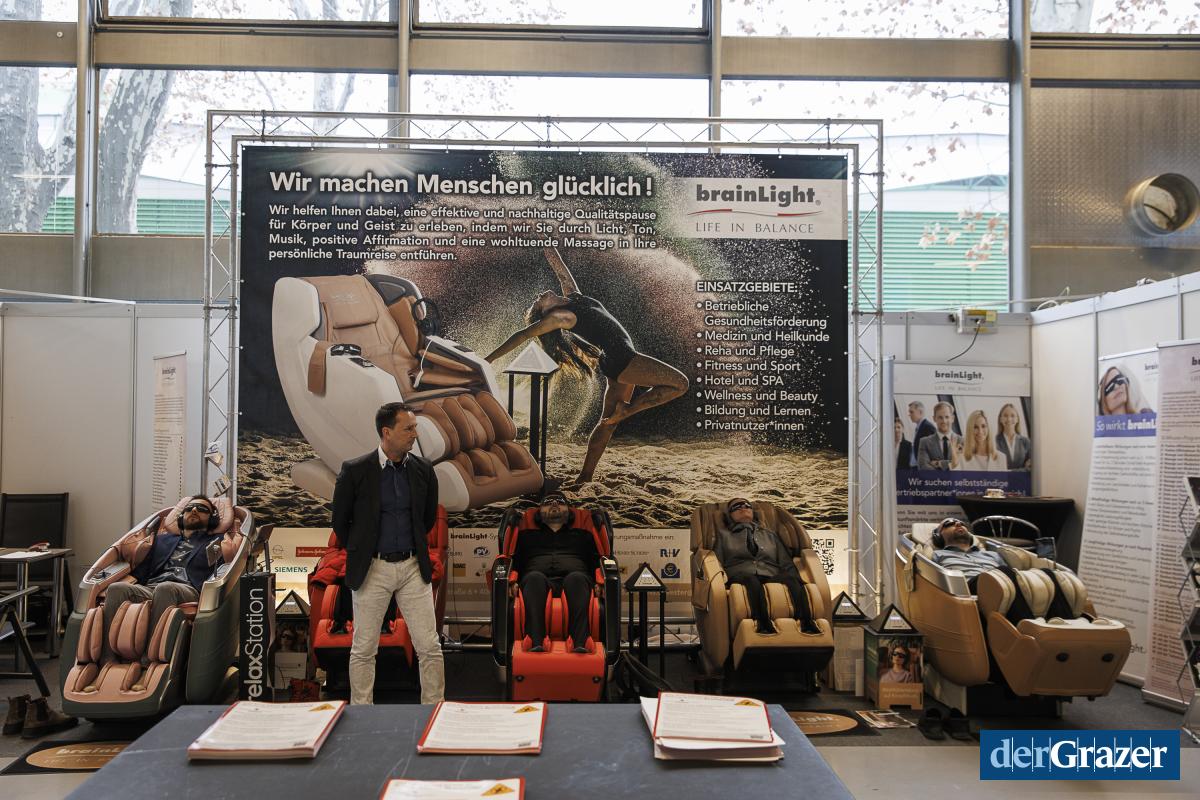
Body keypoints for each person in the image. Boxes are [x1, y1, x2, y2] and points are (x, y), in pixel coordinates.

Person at [486, 247, 688, 483]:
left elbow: (558, 265)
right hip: (622, 358)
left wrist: (543, 238)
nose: (539, 295)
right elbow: (522, 335)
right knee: (680, 383)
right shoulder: (561, 317)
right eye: (538, 302)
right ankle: (628, 410)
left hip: (613, 360)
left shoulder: (574, 297)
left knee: (608, 423)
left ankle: (585, 476)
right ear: (547, 311)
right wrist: (489, 359)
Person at [332, 402, 444, 705]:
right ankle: (362, 711)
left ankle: (434, 708)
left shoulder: (424, 469)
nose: (415, 434)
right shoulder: (355, 470)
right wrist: (364, 549)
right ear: (387, 432)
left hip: (412, 567)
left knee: (429, 646)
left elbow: (427, 519)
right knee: (364, 648)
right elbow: (340, 522)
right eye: (408, 428)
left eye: (415, 427)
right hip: (373, 568)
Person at [96, 495, 226, 667]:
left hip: (187, 589)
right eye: (189, 508)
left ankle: (149, 660)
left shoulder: (217, 542)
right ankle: (107, 659)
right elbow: (142, 572)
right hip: (153, 587)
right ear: (182, 515)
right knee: (116, 588)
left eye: (202, 509)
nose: (194, 510)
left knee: (166, 588)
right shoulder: (161, 540)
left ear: (212, 518)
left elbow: (223, 569)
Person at [715, 498, 821, 636]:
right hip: (740, 574)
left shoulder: (769, 535)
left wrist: (797, 580)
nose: (743, 508)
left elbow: (785, 561)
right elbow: (718, 561)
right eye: (737, 506)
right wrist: (721, 580)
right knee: (751, 581)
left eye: (747, 505)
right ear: (730, 515)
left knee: (792, 580)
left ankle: (806, 623)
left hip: (769, 573)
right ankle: (762, 624)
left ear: (753, 512)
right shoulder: (723, 536)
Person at [510, 492, 600, 653]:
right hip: (537, 580)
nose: (554, 504)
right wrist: (512, 580)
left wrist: (599, 582)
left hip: (576, 579)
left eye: (560, 501)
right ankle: (536, 641)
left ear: (569, 510)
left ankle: (580, 642)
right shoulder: (525, 535)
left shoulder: (583, 534)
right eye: (547, 502)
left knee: (577, 578)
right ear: (539, 512)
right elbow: (516, 559)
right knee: (534, 577)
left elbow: (595, 559)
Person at [930, 518, 1007, 589]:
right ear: (938, 536)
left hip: (1003, 588)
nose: (958, 524)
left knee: (1006, 572)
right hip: (967, 589)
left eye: (962, 524)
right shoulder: (937, 555)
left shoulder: (993, 554)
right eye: (949, 524)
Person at [917, 401, 961, 471]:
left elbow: (963, 466)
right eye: (940, 417)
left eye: (947, 417)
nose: (944, 421)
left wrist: (939, 463)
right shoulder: (924, 442)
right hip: (934, 479)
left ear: (952, 418)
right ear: (934, 418)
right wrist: (952, 463)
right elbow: (923, 468)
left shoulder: (962, 441)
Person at [995, 402, 1031, 470]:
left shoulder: (1026, 442)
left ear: (1017, 419)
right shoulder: (994, 442)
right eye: (1005, 416)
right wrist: (1022, 469)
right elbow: (994, 468)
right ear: (1000, 419)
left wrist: (1008, 471)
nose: (1009, 419)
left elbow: (1030, 468)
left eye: (1012, 416)